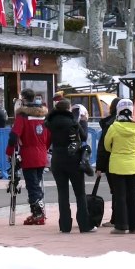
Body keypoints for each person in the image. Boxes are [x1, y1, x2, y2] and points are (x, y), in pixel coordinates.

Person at [45, 99, 95, 233]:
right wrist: (83, 122)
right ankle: (84, 224)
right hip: (73, 159)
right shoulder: (73, 122)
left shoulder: (50, 122)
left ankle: (65, 225)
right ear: (68, 109)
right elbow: (83, 137)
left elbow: (47, 141)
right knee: (80, 193)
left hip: (57, 159)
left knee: (62, 193)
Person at [5, 88, 50, 225]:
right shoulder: (43, 116)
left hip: (28, 154)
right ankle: (39, 211)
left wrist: (9, 151)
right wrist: (44, 148)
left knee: (32, 185)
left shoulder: (23, 117)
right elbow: (49, 137)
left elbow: (14, 135)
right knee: (37, 183)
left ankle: (37, 213)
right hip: (42, 153)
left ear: (23, 99)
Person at [104, 99, 135, 234]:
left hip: (117, 165)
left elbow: (107, 146)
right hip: (134, 165)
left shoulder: (113, 127)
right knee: (134, 195)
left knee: (120, 196)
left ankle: (121, 225)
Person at [95, 97, 121, 227]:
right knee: (127, 191)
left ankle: (116, 219)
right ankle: (126, 217)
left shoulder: (109, 125)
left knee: (115, 191)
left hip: (113, 162)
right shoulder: (132, 124)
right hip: (130, 163)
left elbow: (103, 147)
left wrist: (99, 167)